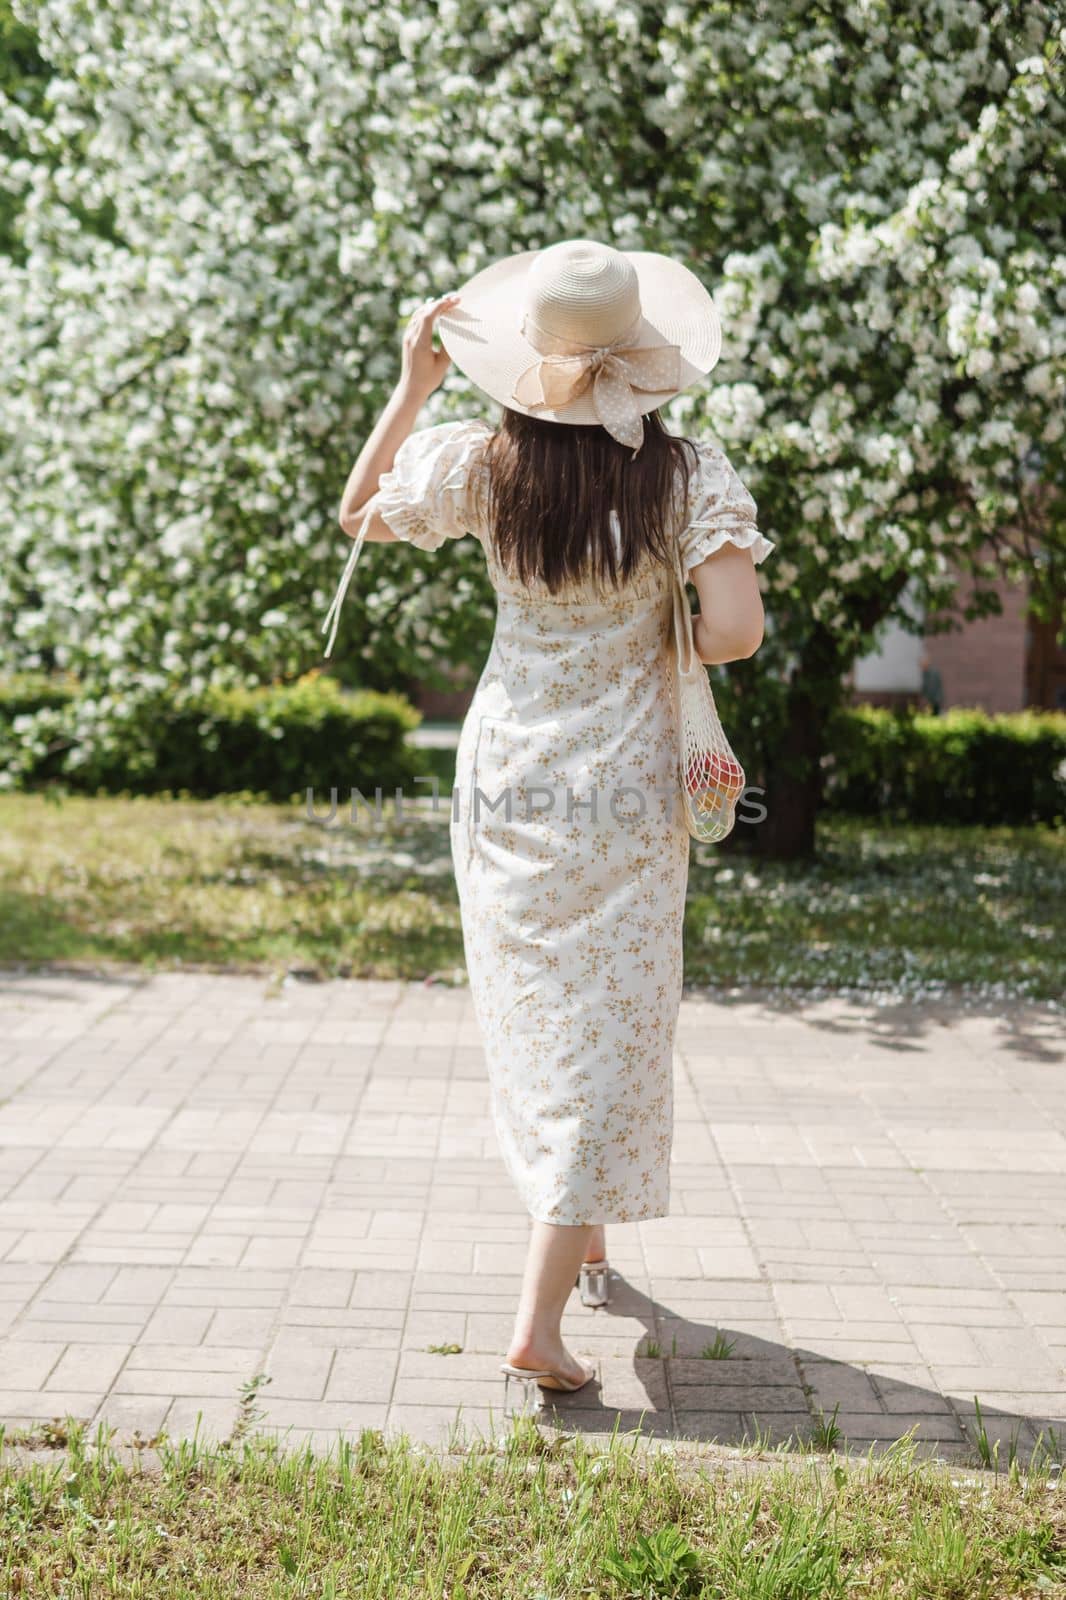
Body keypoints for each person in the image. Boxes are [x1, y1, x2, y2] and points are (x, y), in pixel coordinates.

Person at [325, 239, 774, 1402]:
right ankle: (535, 1322)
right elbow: (734, 631)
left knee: (542, 1015)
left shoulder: (484, 464)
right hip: (623, 779)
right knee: (613, 1011)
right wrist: (659, 621)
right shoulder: (684, 476)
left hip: (510, 767)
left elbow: (358, 516)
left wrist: (412, 386)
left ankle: (591, 1244)